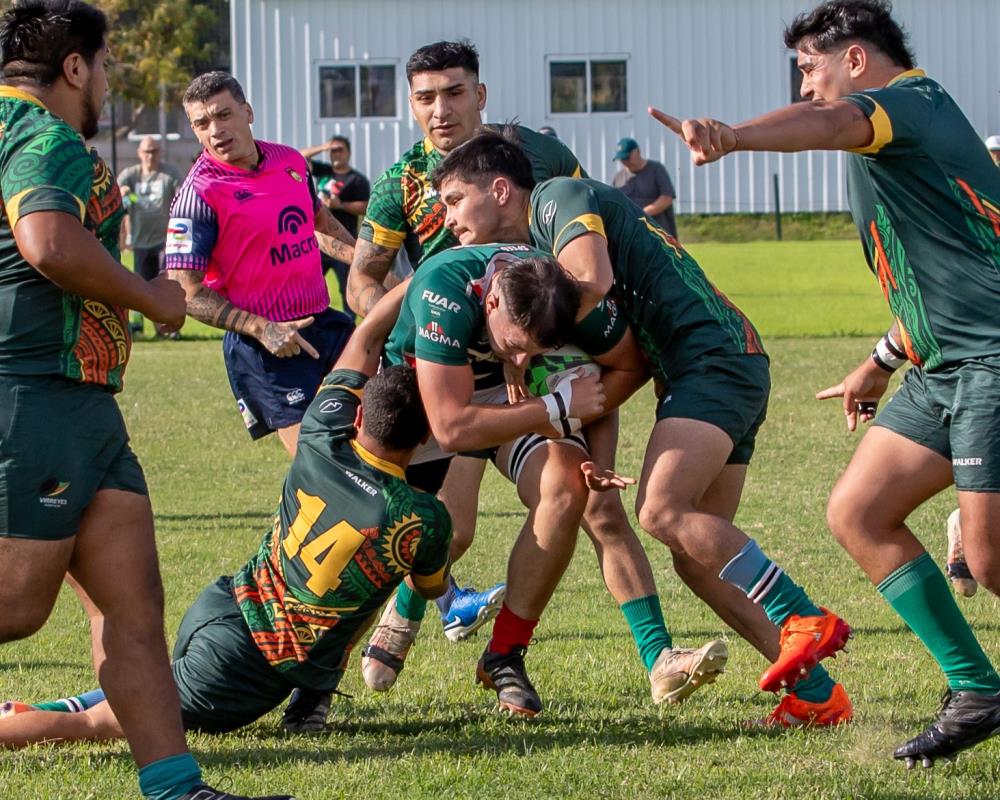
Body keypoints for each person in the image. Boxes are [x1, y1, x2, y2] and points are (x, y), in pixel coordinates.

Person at [650, 0, 1000, 767]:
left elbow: (832, 120)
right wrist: (882, 357)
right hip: (941, 367)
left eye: (809, 68)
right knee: (857, 512)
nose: (805, 86)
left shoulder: (908, 103)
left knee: (990, 560)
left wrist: (734, 136)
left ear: (855, 60)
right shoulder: (896, 140)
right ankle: (976, 689)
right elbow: (946, 272)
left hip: (991, 363)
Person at [430, 128, 854, 727]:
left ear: (500, 190)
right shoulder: (534, 247)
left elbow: (593, 278)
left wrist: (522, 346)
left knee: (661, 511)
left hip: (708, 357)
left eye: (454, 199)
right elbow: (607, 360)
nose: (447, 217)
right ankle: (817, 696)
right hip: (717, 360)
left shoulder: (556, 196)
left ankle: (801, 615)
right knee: (696, 557)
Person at [0, 3, 288, 799]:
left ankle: (175, 788)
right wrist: (152, 297)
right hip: (35, 391)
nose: (108, 81)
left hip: (80, 401)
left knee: (130, 606)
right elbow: (48, 243)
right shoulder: (43, 135)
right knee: (16, 605)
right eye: (104, 65)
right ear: (74, 67)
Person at [0, 296, 454, 745]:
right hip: (245, 664)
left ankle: (35, 711)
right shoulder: (423, 519)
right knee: (102, 726)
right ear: (427, 436)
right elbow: (430, 587)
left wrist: (416, 280)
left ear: (358, 416)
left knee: (149, 692)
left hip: (222, 603)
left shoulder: (319, 432)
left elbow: (366, 337)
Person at [366, 242, 727, 716]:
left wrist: (598, 456)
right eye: (515, 345)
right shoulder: (446, 290)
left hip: (514, 407)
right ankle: (378, 629)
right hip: (433, 403)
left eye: (536, 350)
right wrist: (556, 405)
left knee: (571, 489)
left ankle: (505, 654)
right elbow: (452, 425)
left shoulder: (566, 296)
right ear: (492, 300)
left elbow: (620, 368)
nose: (522, 358)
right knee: (448, 531)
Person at [342, 39, 589, 655]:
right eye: (425, 98)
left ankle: (654, 653)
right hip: (443, 372)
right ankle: (369, 643)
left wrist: (533, 337)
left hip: (532, 354)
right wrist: (419, 323)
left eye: (454, 93)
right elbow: (362, 281)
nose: (440, 109)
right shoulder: (400, 182)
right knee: (446, 531)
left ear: (480, 95)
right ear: (411, 105)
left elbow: (585, 233)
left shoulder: (541, 156)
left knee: (589, 500)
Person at [165, 72, 357, 457]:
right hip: (266, 345)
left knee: (377, 434)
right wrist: (262, 328)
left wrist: (370, 268)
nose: (215, 130)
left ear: (248, 112)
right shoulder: (197, 195)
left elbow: (320, 223)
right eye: (202, 123)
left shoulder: (290, 161)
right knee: (318, 463)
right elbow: (186, 291)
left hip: (325, 324)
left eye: (224, 115)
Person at [299, 135, 370, 310]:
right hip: (318, 244)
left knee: (346, 291)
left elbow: (365, 206)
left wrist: (341, 205)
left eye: (340, 150)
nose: (336, 154)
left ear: (349, 153)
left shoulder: (357, 179)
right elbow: (300, 157)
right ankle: (310, 320)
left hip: (343, 244)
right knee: (307, 289)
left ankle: (349, 324)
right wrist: (324, 146)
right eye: (333, 151)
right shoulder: (324, 171)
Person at [117, 135, 180, 334]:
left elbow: (182, 195)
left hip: (165, 241)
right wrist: (123, 191)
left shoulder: (169, 174)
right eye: (146, 151)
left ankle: (169, 328)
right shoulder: (131, 174)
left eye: (154, 151)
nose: (150, 156)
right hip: (140, 241)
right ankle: (137, 326)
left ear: (160, 152)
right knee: (140, 286)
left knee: (167, 285)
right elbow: (116, 190)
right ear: (139, 153)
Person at [611, 137, 678, 239]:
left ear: (637, 152)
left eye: (627, 157)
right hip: (632, 236)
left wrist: (641, 214)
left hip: (659, 234)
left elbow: (666, 198)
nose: (625, 161)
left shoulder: (656, 170)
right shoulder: (618, 179)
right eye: (622, 159)